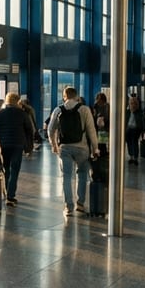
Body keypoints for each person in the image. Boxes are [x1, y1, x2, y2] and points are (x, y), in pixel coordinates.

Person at [48, 87, 99, 217]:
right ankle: (80, 204)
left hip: (64, 148)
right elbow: (91, 130)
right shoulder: (84, 109)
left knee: (66, 176)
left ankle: (68, 207)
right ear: (77, 96)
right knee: (82, 175)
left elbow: (50, 130)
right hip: (82, 148)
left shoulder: (58, 109)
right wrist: (95, 148)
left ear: (64, 96)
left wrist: (54, 145)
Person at [0, 93, 33, 207]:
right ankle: (10, 195)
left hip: (4, 145)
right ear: (18, 102)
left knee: (7, 169)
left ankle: (8, 193)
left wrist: (2, 135)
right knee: (15, 170)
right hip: (18, 144)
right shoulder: (22, 113)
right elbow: (30, 129)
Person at [124, 96, 145, 164]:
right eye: (131, 103)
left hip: (136, 129)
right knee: (129, 143)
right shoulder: (127, 112)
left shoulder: (140, 113)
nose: (132, 105)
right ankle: (131, 156)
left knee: (134, 142)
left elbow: (143, 122)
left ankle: (135, 157)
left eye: (134, 103)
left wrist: (143, 130)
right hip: (128, 129)